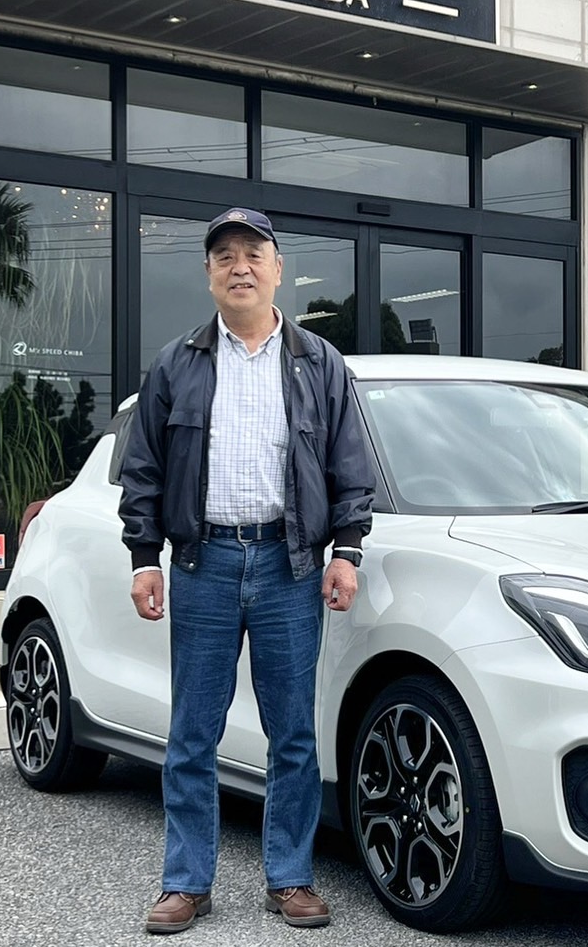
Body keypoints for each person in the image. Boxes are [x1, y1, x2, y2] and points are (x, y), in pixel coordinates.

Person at [117, 207, 375, 934]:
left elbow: (348, 464)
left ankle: (289, 878)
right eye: (225, 255)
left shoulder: (319, 362)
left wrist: (346, 550)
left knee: (291, 733)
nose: (240, 267)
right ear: (208, 273)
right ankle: (185, 883)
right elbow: (143, 470)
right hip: (202, 563)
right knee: (191, 732)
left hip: (289, 566)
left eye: (253, 254)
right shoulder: (176, 364)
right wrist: (144, 559)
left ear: (277, 269)